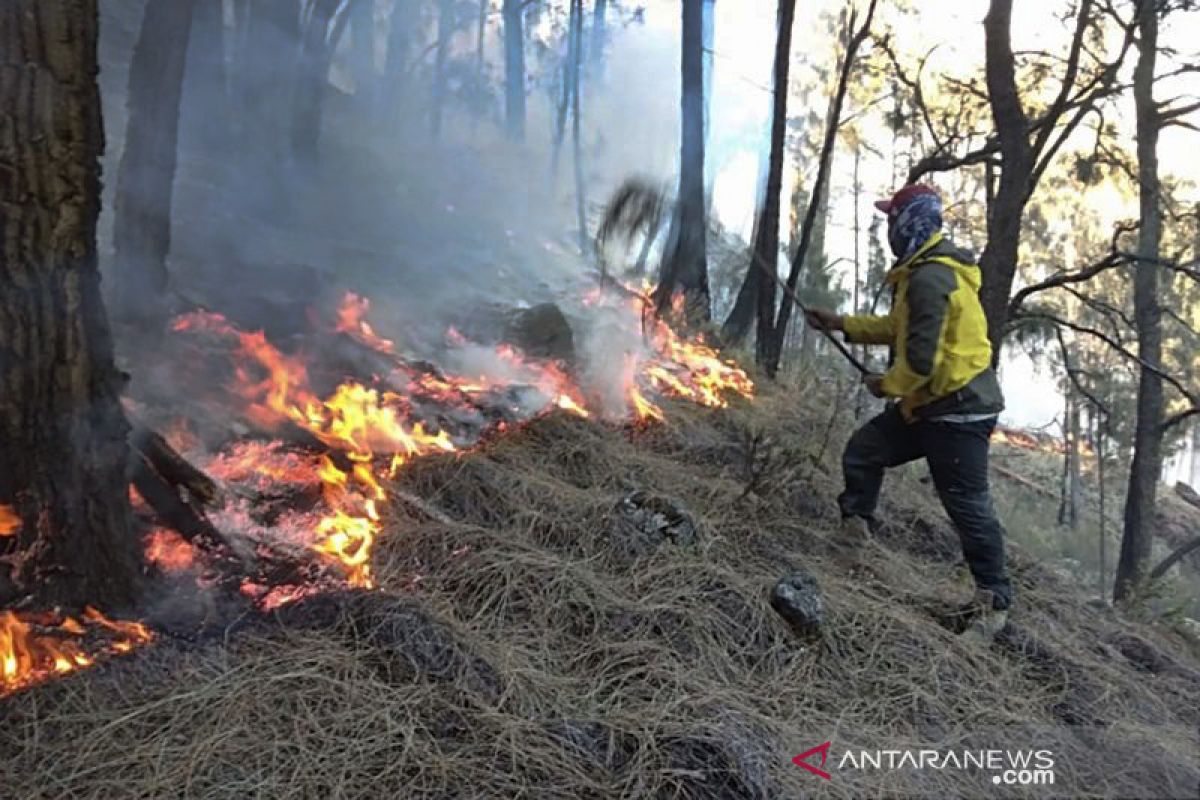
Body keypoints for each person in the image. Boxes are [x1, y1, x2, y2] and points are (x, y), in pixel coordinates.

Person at [804, 184, 1012, 641]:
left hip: (958, 412)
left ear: (909, 223)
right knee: (865, 450)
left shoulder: (931, 278)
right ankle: (853, 536)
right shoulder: (920, 273)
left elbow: (920, 362)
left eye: (890, 220)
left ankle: (993, 604)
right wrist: (840, 324)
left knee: (967, 506)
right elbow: (898, 329)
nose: (887, 231)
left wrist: (886, 385)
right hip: (930, 403)